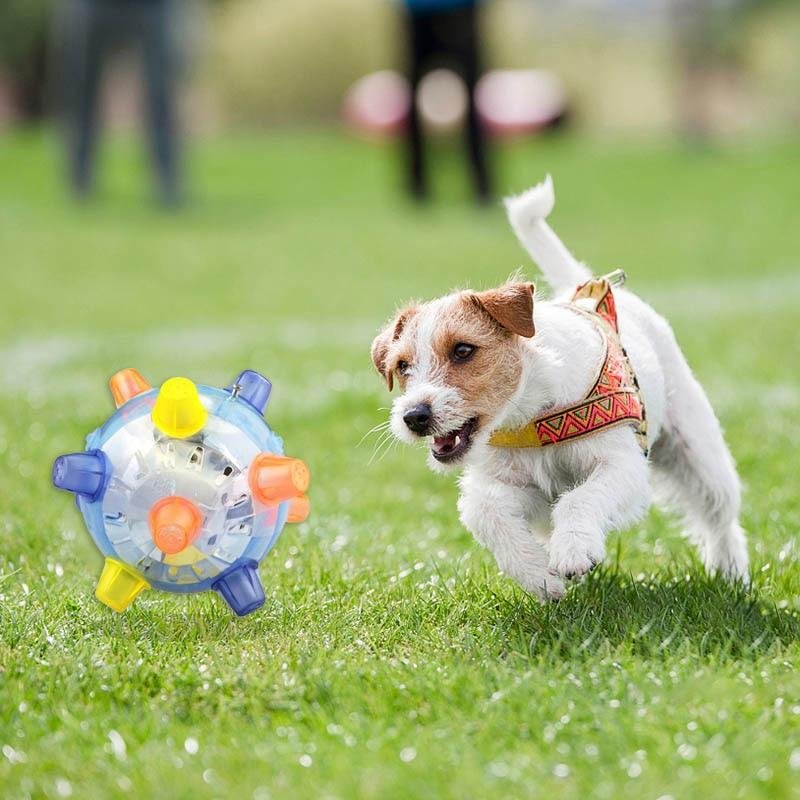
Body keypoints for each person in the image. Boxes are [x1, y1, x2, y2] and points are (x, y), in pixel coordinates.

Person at [56, 0, 182, 205]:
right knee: (81, 86)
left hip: (151, 6)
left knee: (160, 91)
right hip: (95, 5)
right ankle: (79, 181)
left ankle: (168, 184)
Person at [402, 0, 492, 203]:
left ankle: (482, 186)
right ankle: (417, 187)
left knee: (473, 97)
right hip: (420, 8)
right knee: (413, 98)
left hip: (457, 7)